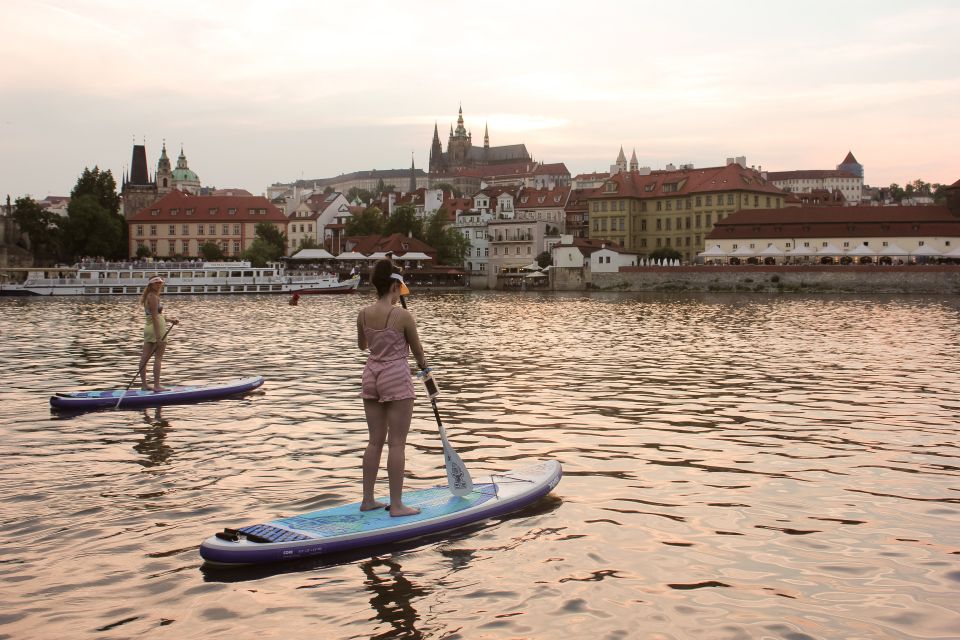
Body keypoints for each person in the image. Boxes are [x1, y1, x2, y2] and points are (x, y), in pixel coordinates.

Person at [357, 259, 428, 517]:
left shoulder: (363, 313)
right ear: (396, 286)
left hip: (371, 375)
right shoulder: (403, 315)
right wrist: (425, 370)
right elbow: (418, 352)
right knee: (396, 444)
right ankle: (397, 505)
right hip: (396, 376)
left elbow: (363, 346)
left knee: (374, 442)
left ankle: (367, 500)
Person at [138, 276, 178, 392]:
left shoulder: (148, 296)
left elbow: (156, 315)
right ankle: (156, 386)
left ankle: (144, 385)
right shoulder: (153, 297)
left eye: (160, 283)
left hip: (149, 328)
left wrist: (170, 320)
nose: (159, 285)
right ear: (151, 285)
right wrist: (158, 336)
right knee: (158, 358)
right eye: (156, 283)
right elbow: (155, 317)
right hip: (157, 329)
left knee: (144, 358)